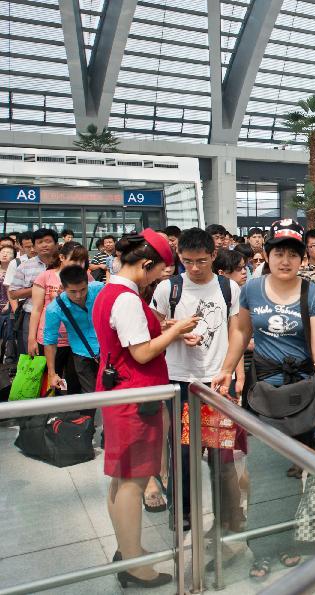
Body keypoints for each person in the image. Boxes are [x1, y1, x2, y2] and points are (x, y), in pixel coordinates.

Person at [218, 219, 315, 581]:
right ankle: (262, 548)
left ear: (302, 259)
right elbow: (240, 331)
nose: (285, 260)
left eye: (292, 254)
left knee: (290, 474)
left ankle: (288, 542)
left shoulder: (311, 293)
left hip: (301, 395)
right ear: (266, 254)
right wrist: (227, 368)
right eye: (278, 252)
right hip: (264, 393)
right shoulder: (251, 290)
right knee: (262, 474)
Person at [93, 229, 199, 588]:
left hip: (119, 392)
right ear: (146, 264)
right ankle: (134, 564)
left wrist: (167, 327)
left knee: (121, 477)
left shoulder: (110, 292)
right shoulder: (126, 299)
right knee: (134, 480)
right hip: (137, 397)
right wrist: (178, 329)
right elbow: (141, 352)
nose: (158, 280)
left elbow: (129, 339)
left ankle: (128, 548)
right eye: (158, 273)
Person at [150, 227, 244, 531]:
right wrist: (174, 330)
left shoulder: (229, 288)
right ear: (179, 257)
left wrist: (235, 373)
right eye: (187, 261)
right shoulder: (168, 289)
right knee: (183, 454)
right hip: (180, 381)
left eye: (201, 261)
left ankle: (226, 516)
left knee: (221, 455)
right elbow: (153, 331)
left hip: (216, 381)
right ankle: (183, 512)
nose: (194, 267)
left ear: (214, 255)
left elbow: (236, 332)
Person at [28, 242, 90, 395]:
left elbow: (90, 307)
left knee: (74, 382)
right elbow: (36, 310)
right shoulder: (46, 276)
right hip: (50, 339)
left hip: (76, 339)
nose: (79, 265)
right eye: (75, 260)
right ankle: (51, 414)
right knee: (50, 380)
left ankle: (70, 414)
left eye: (82, 261)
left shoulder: (87, 277)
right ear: (62, 257)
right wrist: (31, 338)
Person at [43, 264, 104, 397]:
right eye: (73, 291)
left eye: (83, 289)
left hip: (107, 349)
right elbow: (50, 342)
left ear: (88, 283)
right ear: (63, 288)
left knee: (115, 390)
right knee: (91, 395)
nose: (79, 295)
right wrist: (52, 373)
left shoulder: (99, 288)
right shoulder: (55, 308)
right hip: (81, 353)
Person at [9, 228, 59, 355]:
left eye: (48, 241)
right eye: (40, 242)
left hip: (60, 315)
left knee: (59, 354)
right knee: (32, 353)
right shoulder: (25, 266)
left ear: (56, 244)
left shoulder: (64, 264)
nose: (44, 245)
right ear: (34, 247)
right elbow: (13, 293)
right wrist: (38, 288)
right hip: (31, 314)